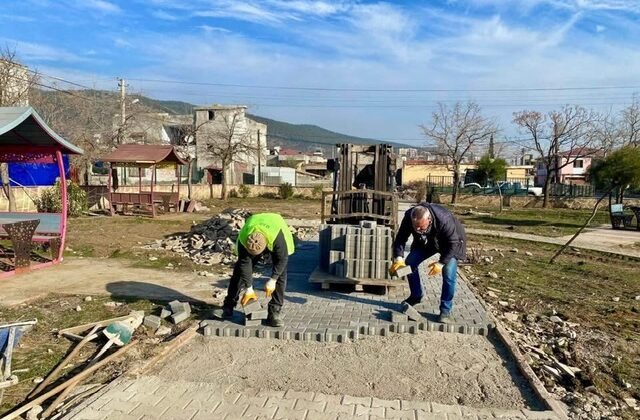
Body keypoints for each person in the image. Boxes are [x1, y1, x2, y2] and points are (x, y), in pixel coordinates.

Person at [213, 213, 295, 327]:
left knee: (280, 274)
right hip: (254, 226)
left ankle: (274, 312)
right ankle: (228, 307)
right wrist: (249, 289)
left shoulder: (277, 239)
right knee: (239, 272)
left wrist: (272, 280)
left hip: (276, 228)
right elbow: (244, 264)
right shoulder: (244, 238)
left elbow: (282, 260)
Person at [389, 203, 466, 323]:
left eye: (421, 227)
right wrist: (398, 258)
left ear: (429, 220)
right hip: (429, 242)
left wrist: (441, 263)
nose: (418, 230)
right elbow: (401, 238)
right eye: (415, 227)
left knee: (448, 273)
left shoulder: (444, 219)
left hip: (450, 243)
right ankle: (416, 295)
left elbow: (453, 243)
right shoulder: (409, 216)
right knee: (410, 263)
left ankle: (445, 311)